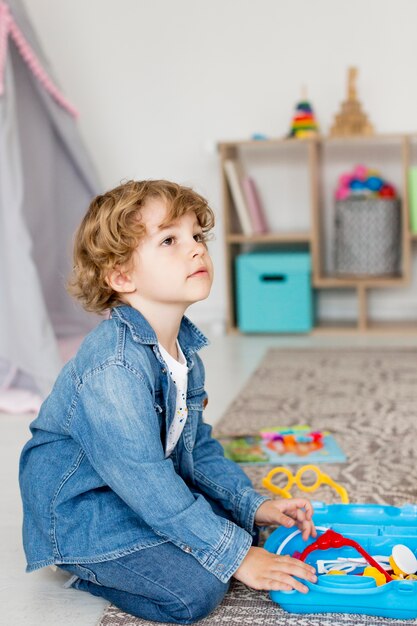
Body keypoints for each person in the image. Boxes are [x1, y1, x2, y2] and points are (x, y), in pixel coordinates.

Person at [19, 180, 317, 624]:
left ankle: (205, 534)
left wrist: (251, 504)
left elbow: (196, 447)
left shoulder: (183, 350)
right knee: (196, 590)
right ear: (121, 275)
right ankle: (87, 568)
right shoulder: (112, 370)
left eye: (197, 236)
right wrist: (235, 558)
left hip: (134, 488)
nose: (196, 250)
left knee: (239, 527)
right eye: (170, 240)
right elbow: (148, 482)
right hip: (86, 511)